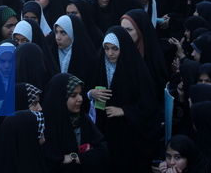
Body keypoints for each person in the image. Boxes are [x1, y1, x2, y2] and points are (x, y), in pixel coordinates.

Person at [89, 26, 160, 172]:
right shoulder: (99, 64)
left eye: (115, 49)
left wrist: (125, 111)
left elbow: (149, 106)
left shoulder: (136, 70)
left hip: (129, 135)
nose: (110, 53)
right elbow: (86, 89)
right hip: (104, 131)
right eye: (106, 48)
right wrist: (91, 94)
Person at [42, 73, 109, 171]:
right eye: (73, 95)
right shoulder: (46, 125)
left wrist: (75, 157)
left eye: (80, 94)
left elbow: (103, 151)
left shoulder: (83, 119)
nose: (80, 99)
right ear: (61, 98)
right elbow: (49, 160)